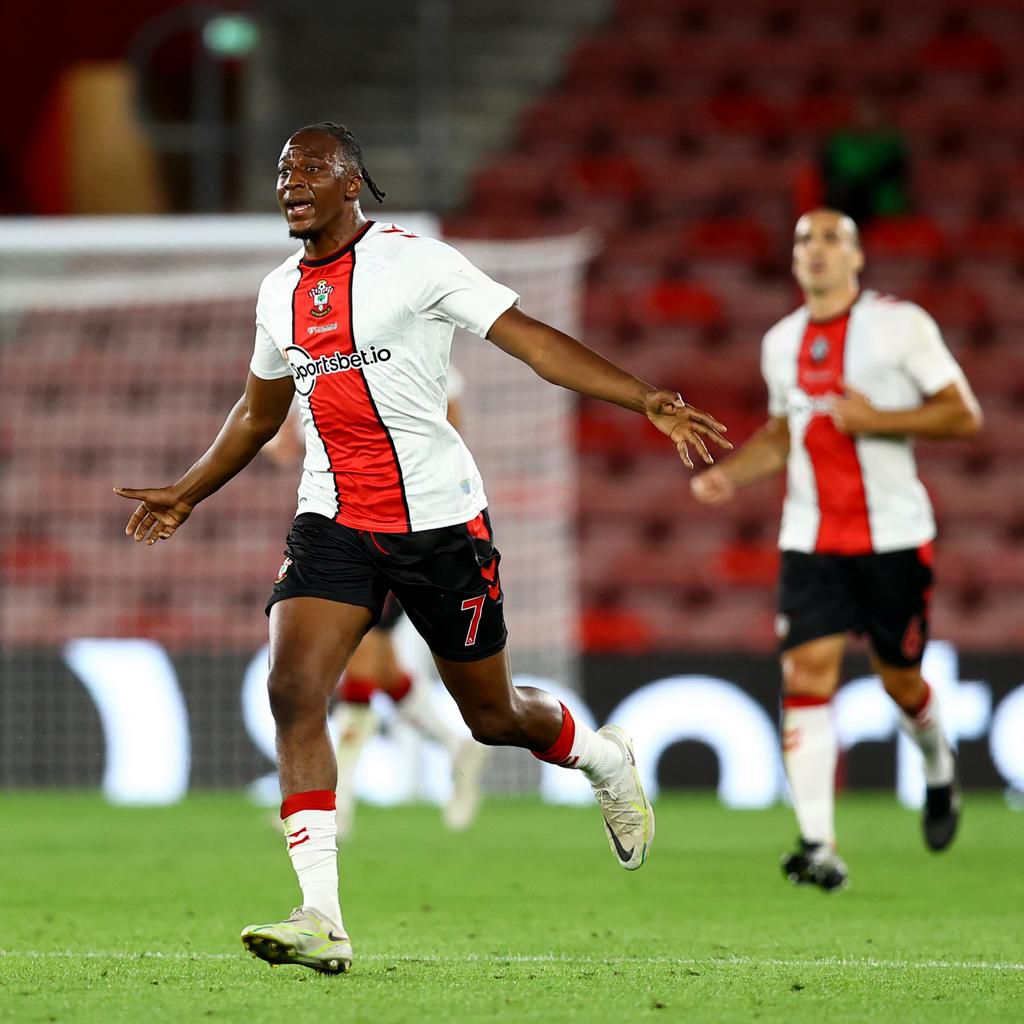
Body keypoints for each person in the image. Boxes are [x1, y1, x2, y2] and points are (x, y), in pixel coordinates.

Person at [115, 121, 731, 973]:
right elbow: (260, 412)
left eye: (312, 170)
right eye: (284, 172)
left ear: (354, 181)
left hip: (441, 526)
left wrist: (644, 398)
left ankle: (602, 757)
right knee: (294, 689)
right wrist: (187, 490)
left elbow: (530, 341)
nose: (291, 184)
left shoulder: (417, 262)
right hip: (332, 521)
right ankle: (321, 917)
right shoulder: (276, 293)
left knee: (493, 717)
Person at [691, 208, 982, 892]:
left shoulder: (900, 325)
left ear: (856, 258)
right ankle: (818, 844)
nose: (815, 250)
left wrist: (881, 419)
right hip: (810, 539)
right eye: (803, 241)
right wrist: (729, 474)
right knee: (806, 676)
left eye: (831, 239)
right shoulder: (779, 342)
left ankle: (938, 764)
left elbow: (962, 414)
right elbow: (784, 433)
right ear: (793, 262)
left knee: (900, 682)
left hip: (893, 537)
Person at [263, 372, 488, 838]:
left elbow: (451, 441)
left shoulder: (420, 364)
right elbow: (285, 443)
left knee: (360, 665)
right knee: (379, 670)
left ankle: (336, 807)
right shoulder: (312, 371)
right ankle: (455, 746)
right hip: (338, 535)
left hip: (405, 535)